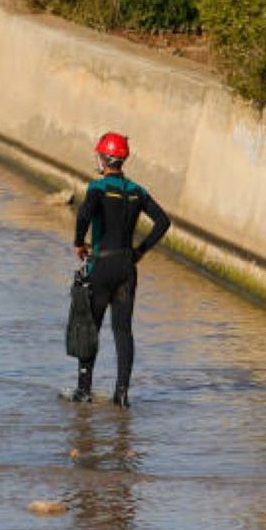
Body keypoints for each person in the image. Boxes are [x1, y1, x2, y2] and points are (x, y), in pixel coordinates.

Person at [71, 132, 170, 407]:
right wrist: (141, 251)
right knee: (123, 331)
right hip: (127, 267)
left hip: (102, 265)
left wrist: (79, 243)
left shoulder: (98, 187)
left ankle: (83, 391)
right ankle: (122, 394)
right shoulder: (138, 191)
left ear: (103, 158)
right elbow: (163, 222)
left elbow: (83, 215)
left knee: (91, 328)